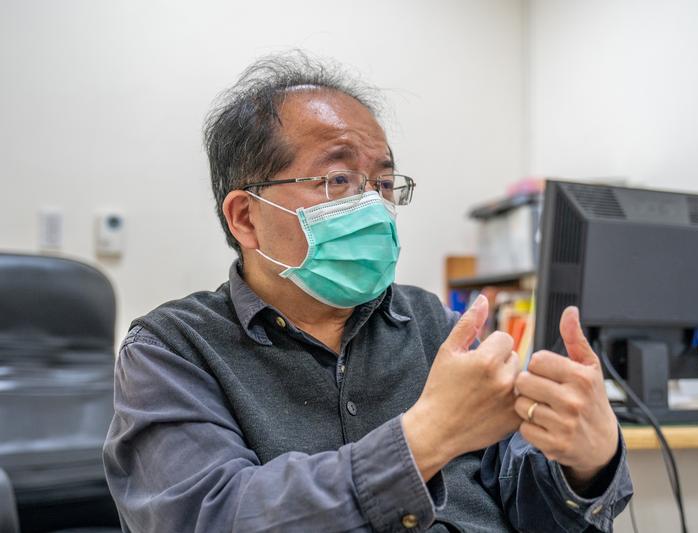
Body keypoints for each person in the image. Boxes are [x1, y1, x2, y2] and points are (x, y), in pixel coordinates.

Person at [103, 52, 633, 532]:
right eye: (338, 180)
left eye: (383, 184)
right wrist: (424, 438)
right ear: (247, 218)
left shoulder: (436, 325)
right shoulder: (171, 350)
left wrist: (586, 463)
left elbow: (529, 503)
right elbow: (210, 517)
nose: (375, 207)